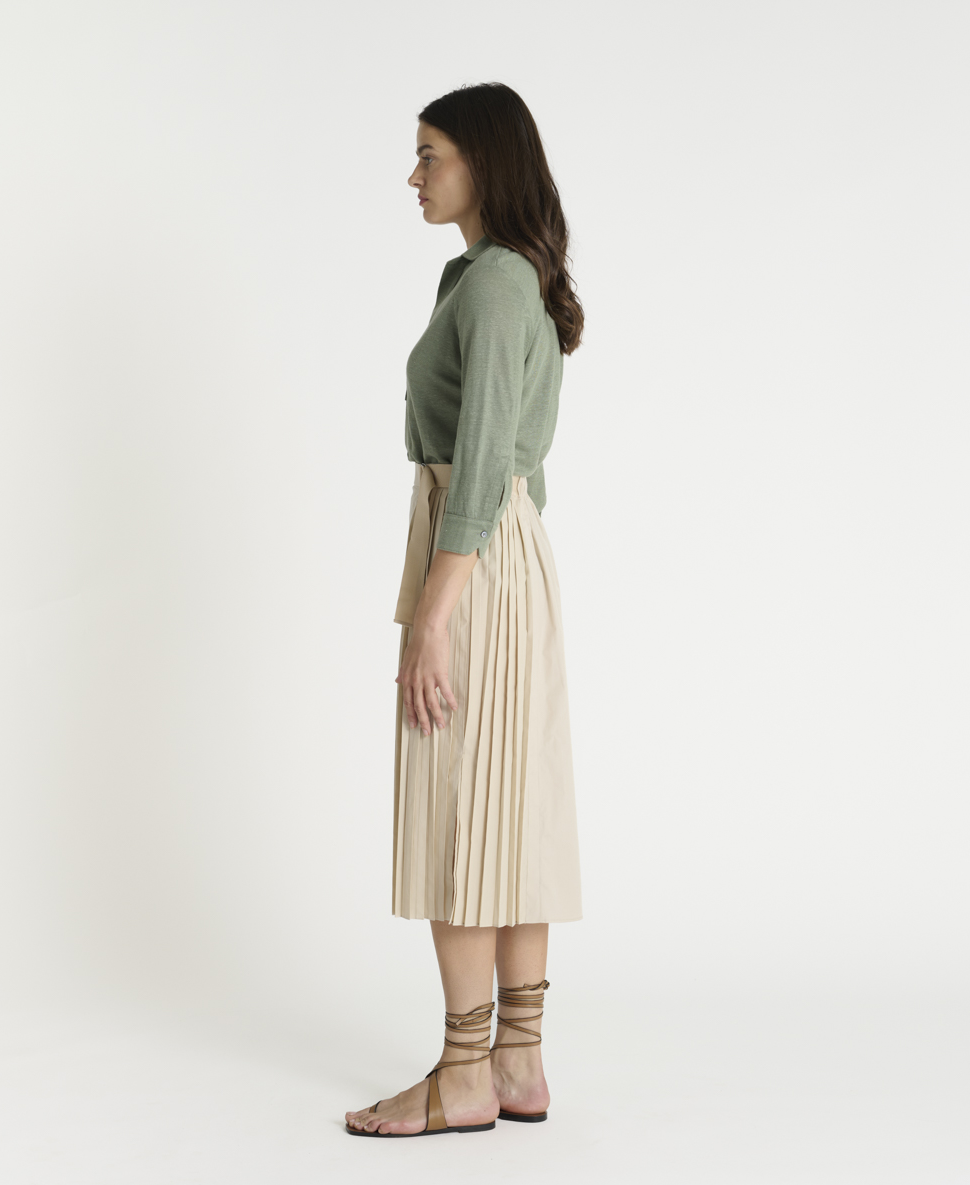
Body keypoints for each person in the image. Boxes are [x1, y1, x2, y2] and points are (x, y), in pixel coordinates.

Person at [345, 82, 583, 1138]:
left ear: (483, 162)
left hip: (471, 553)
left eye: (429, 154)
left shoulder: (491, 284)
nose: (413, 175)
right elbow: (511, 467)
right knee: (512, 811)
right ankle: (517, 1061)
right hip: (507, 552)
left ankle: (462, 1074)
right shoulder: (505, 276)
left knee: (461, 814)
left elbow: (480, 462)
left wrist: (433, 617)